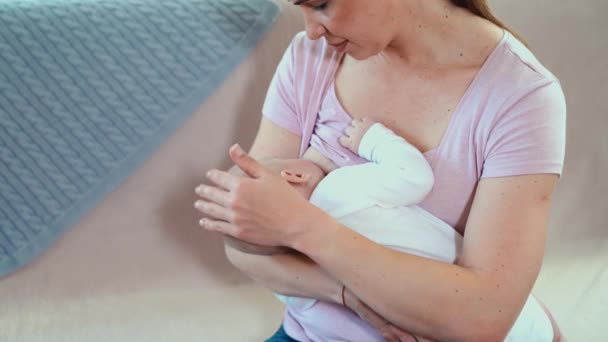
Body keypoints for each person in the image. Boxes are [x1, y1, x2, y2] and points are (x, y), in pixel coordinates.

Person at [194, 0, 567, 341]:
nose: (311, 29)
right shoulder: (310, 57)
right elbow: (243, 243)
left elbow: (485, 318)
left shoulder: (520, 97)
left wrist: (301, 227)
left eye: (322, 5)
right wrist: (347, 295)